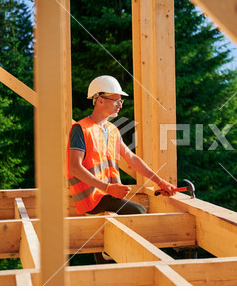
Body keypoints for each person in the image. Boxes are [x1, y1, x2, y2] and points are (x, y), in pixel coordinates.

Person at [66, 75, 176, 263]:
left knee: (107, 241)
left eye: (121, 100)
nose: (120, 104)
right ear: (99, 100)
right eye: (116, 100)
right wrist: (108, 188)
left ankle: (105, 255)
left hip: (108, 195)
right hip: (92, 199)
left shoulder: (112, 130)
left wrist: (160, 181)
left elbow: (132, 159)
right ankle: (115, 254)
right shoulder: (80, 129)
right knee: (139, 212)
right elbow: (74, 167)